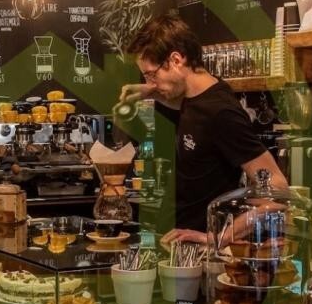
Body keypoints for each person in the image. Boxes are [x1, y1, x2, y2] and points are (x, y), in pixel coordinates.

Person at [117, 12, 286, 245]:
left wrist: (217, 238)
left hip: (198, 252)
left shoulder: (222, 112)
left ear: (176, 60)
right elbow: (186, 105)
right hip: (174, 244)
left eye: (151, 75)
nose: (149, 83)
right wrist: (150, 90)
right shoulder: (194, 98)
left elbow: (277, 189)